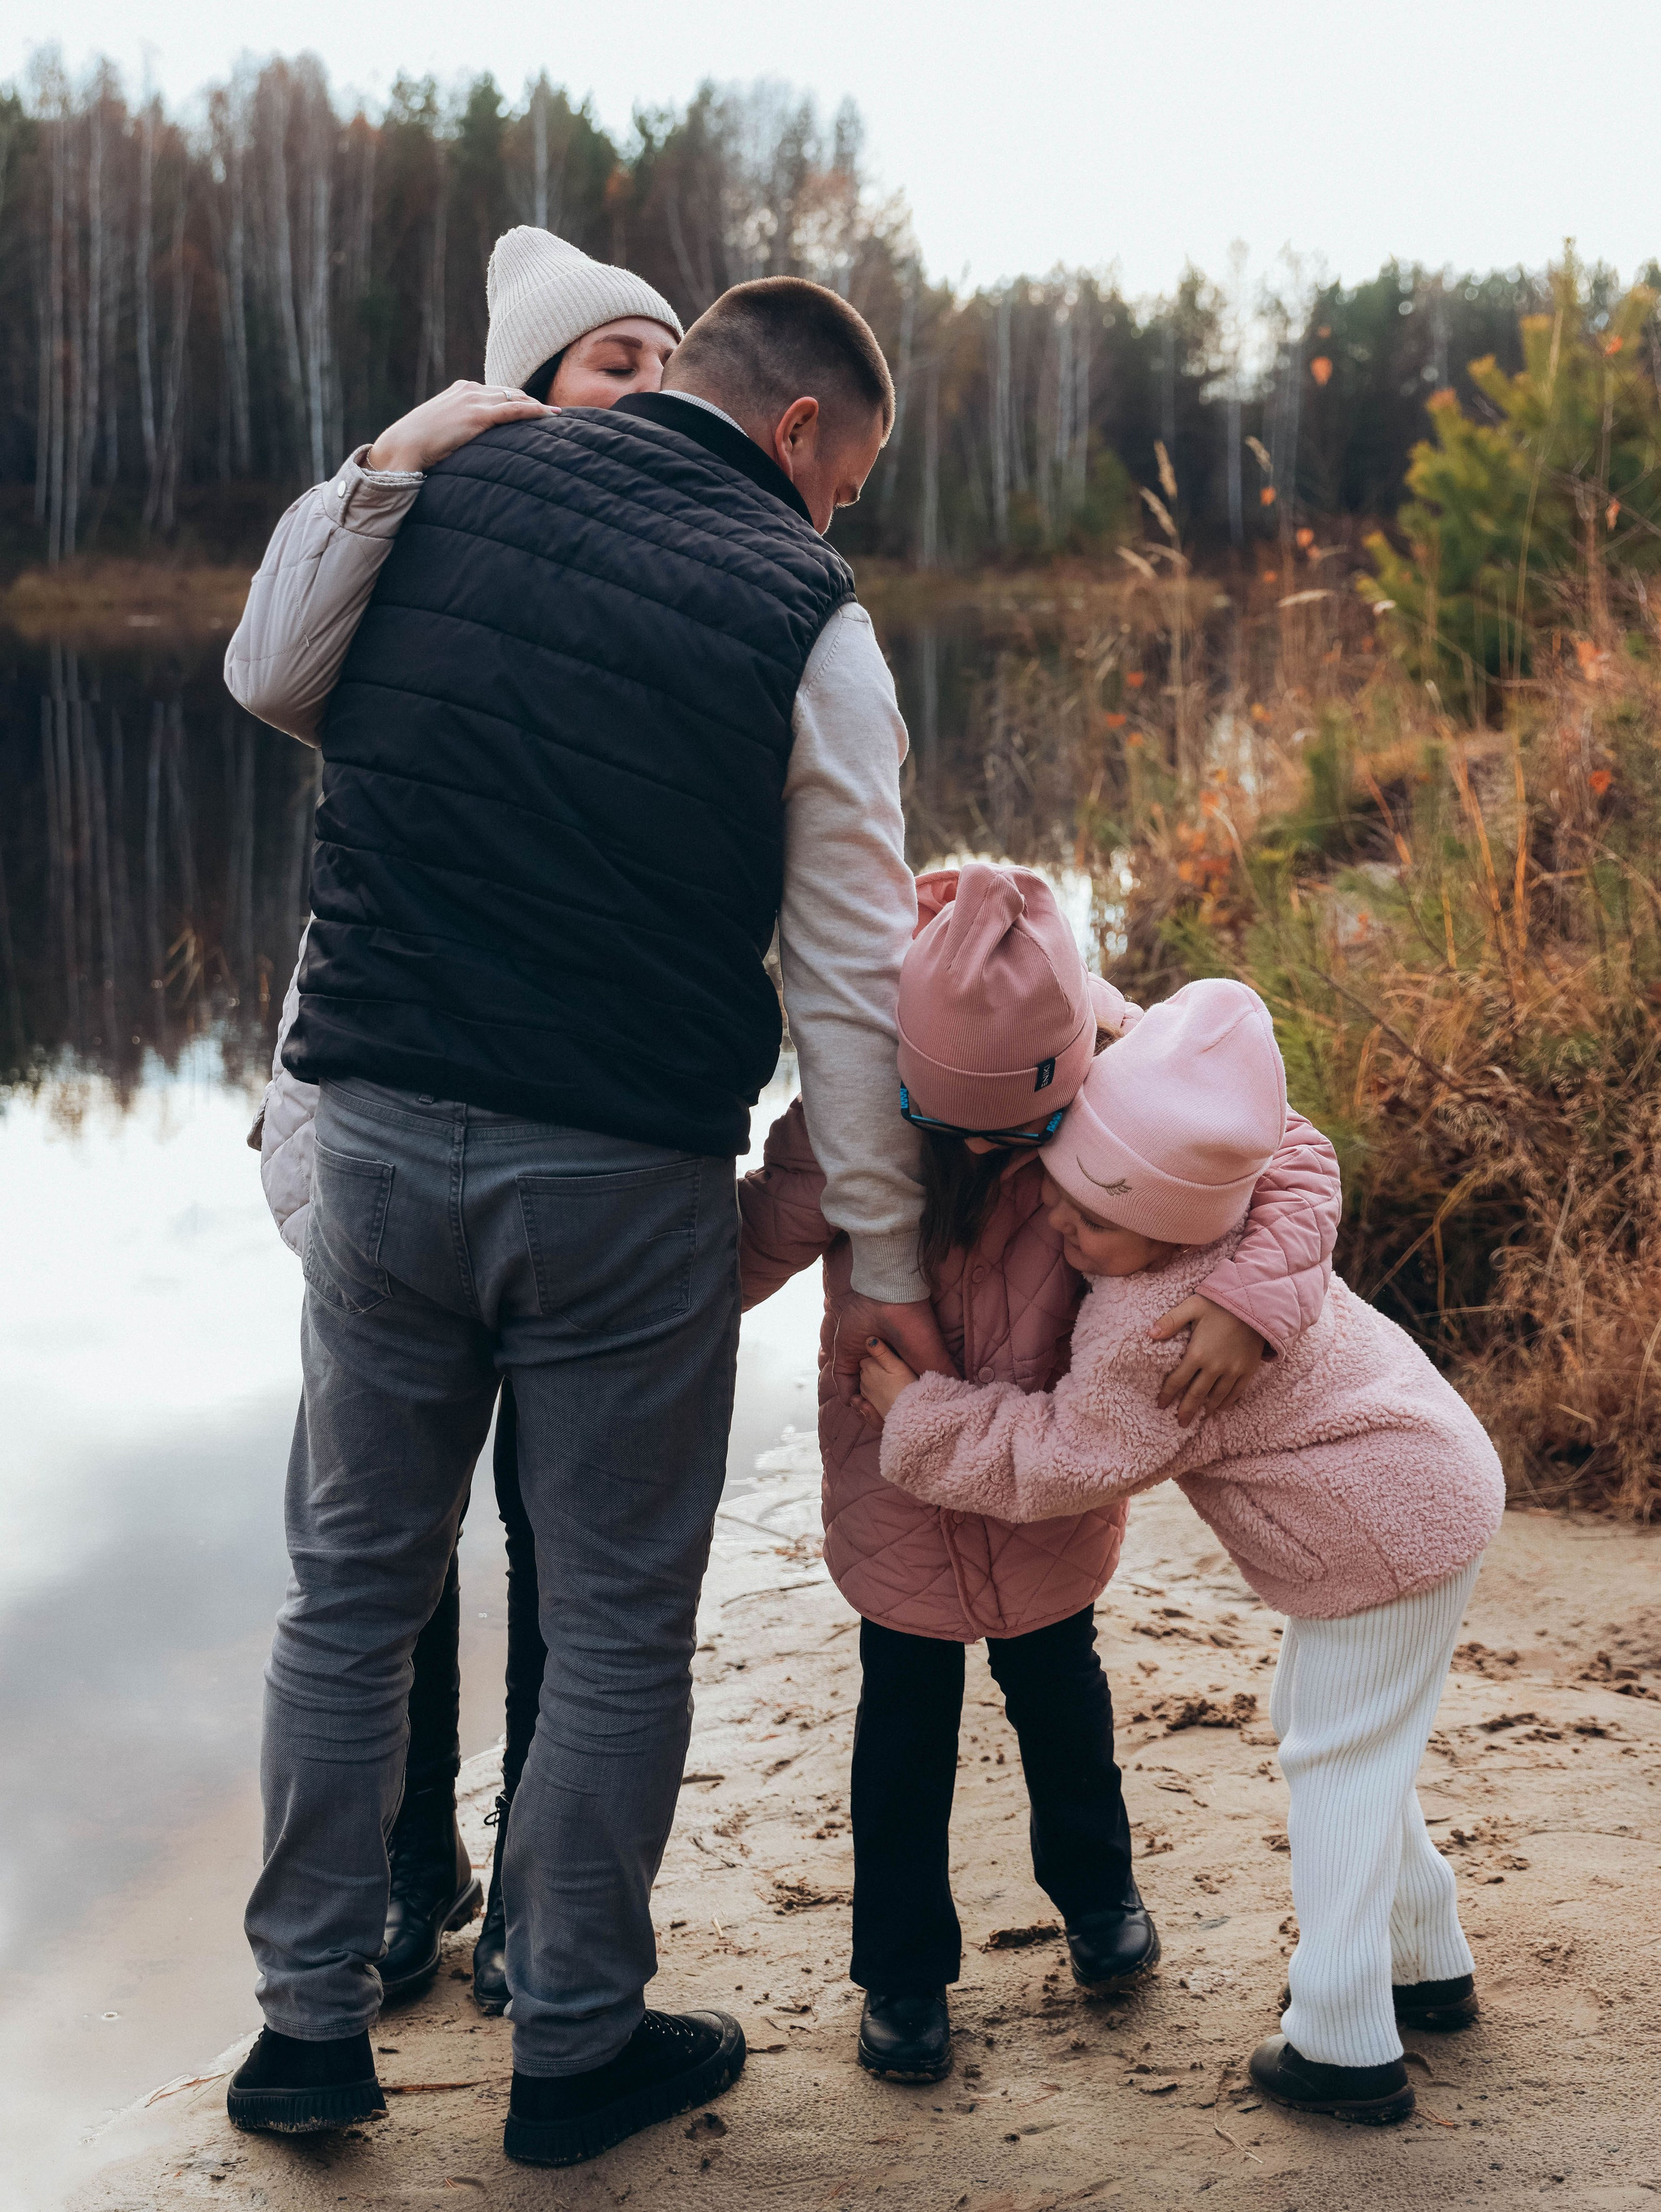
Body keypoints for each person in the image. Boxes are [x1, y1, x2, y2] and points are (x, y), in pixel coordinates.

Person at [226, 264, 954, 2169]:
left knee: (350, 1590)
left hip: (374, 1135)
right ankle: (571, 2044)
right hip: (617, 1176)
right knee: (621, 1618)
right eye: (848, 481)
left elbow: (269, 673)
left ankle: (305, 2032)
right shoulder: (809, 611)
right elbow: (857, 991)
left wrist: (390, 450)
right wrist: (881, 1262)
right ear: (800, 431)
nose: (835, 521)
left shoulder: (442, 492)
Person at [234, 229, 687, 2019]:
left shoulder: (696, 565)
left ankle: (521, 1924)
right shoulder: (406, 543)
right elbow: (271, 673)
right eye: (612, 364)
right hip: (385, 1116)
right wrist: (396, 457)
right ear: (527, 388)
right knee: (385, 1553)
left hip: (579, 1131)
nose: (651, 394)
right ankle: (399, 1889)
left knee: (557, 1546)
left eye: (671, 364)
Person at [858, 977, 1505, 2128]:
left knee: (1336, 1766)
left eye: (1091, 1223)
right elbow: (1173, 1063)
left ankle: (1345, 2042)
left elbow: (1055, 1460)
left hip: (1383, 1529)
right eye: (1057, 1197)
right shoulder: (1218, 1197)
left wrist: (921, 1419)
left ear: (1168, 1225)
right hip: (1419, 1484)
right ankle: (1428, 1958)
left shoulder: (1141, 1327)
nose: (1061, 1228)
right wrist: (1077, 1004)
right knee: (1339, 1730)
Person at [738, 863, 1343, 2082]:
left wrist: (1249, 1299)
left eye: (1016, 1131)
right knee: (900, 1730)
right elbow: (753, 1237)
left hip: (1048, 1477)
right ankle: (904, 1974)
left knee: (1065, 1700)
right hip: (893, 1478)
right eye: (950, 1121)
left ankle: (1100, 1900)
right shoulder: (854, 1098)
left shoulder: (1124, 1065)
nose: (976, 1147)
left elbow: (1295, 1158)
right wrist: (589, 1318)